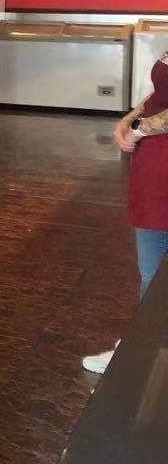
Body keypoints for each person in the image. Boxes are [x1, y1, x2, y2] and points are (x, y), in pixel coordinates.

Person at [82, 54, 168, 374]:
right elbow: (161, 91)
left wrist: (139, 128)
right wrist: (131, 116)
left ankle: (142, 351)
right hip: (154, 174)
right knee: (152, 271)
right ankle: (144, 346)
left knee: (155, 271)